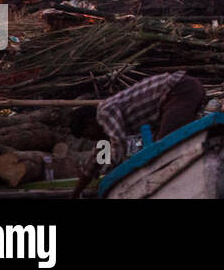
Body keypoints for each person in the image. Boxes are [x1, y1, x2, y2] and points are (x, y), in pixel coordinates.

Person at [70, 72, 206, 195]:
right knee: (168, 147)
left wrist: (112, 174)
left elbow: (119, 143)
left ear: (89, 122)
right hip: (185, 89)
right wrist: (76, 193)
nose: (92, 138)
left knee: (162, 151)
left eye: (88, 135)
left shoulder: (104, 112)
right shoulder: (106, 128)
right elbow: (96, 160)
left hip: (178, 90)